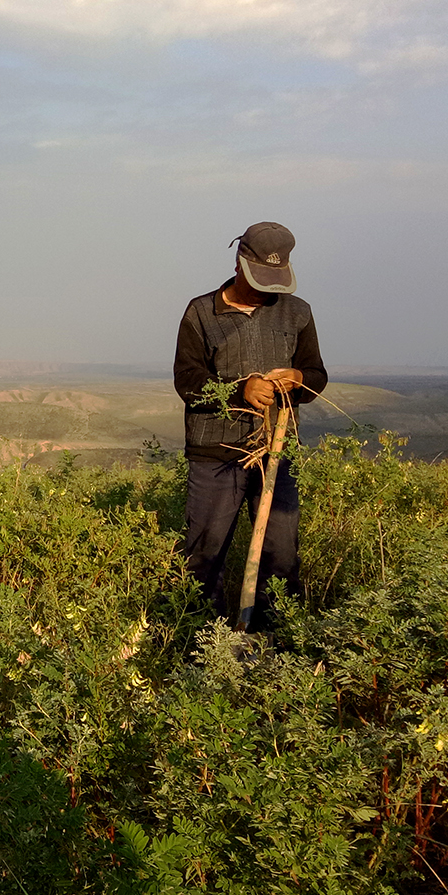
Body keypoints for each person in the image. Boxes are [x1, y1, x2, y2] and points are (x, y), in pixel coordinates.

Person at [172, 222, 327, 631]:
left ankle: (275, 647)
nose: (268, 289)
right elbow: (187, 383)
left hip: (277, 452)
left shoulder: (298, 313)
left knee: (280, 554)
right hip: (214, 457)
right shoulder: (201, 312)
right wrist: (241, 390)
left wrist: (298, 378)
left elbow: (317, 375)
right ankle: (204, 646)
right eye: (261, 278)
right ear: (240, 263)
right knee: (205, 555)